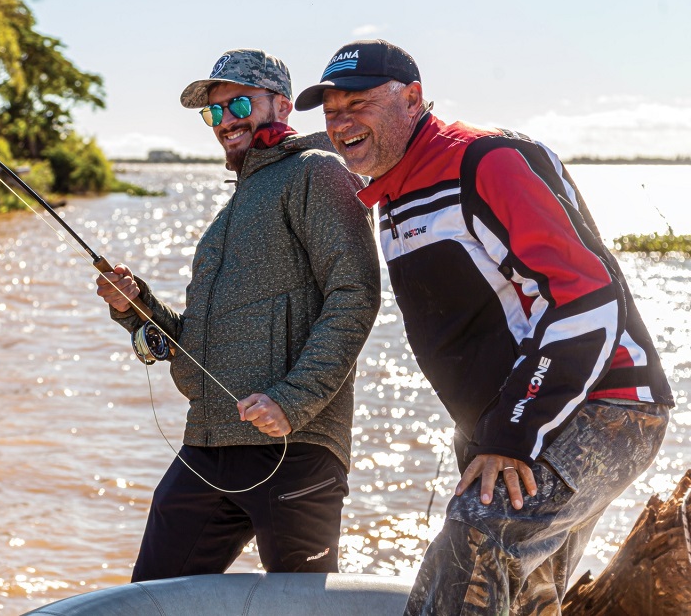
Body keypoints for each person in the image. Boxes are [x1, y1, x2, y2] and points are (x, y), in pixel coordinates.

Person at [295, 39, 674, 614]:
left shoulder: (485, 161)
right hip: (512, 422)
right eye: (332, 112)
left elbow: (588, 299)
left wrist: (509, 436)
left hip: (602, 405)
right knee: (527, 597)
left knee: (476, 543)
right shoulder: (393, 192)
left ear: (413, 99)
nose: (341, 123)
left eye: (359, 104)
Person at [95, 48, 381, 581]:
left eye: (238, 104)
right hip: (207, 445)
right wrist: (136, 310)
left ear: (282, 104)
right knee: (151, 599)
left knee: (302, 611)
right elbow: (194, 347)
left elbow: (356, 295)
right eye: (214, 113)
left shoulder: (317, 172)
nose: (225, 122)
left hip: (296, 450)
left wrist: (292, 403)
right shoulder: (235, 203)